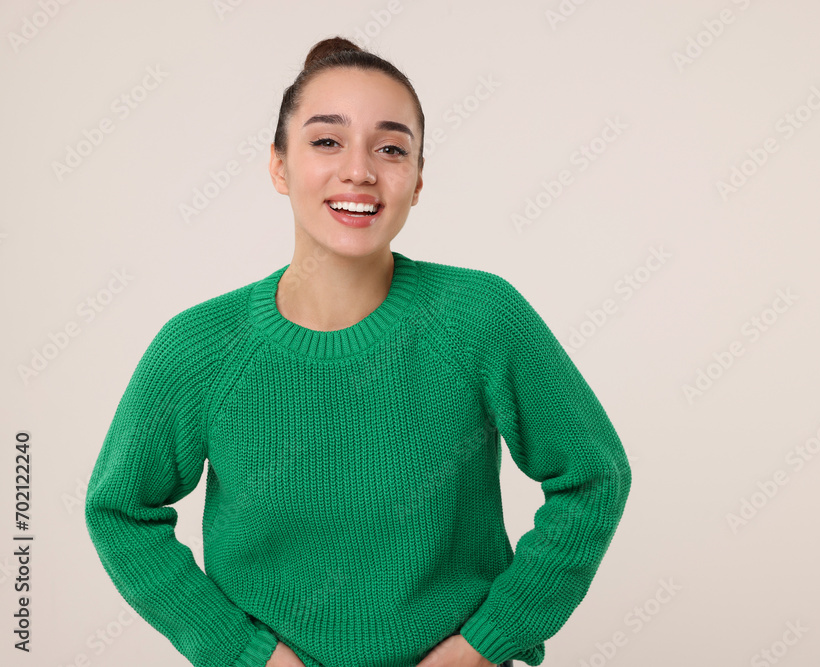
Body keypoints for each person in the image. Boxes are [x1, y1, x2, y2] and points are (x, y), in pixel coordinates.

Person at [84, 36, 631, 667]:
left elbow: (595, 476)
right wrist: (241, 652)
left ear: (418, 179)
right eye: (326, 141)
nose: (360, 170)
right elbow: (119, 509)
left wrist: (485, 644)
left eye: (391, 148)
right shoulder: (201, 348)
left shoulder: (480, 317)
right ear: (278, 165)